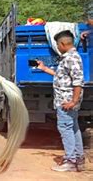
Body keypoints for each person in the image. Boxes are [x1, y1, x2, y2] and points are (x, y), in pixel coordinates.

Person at [37, 30, 85, 172]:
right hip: (66, 101)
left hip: (66, 103)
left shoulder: (72, 58)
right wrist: (45, 68)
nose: (57, 47)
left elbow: (78, 82)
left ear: (64, 44)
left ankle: (71, 160)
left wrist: (73, 101)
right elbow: (61, 76)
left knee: (65, 129)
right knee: (73, 128)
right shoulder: (68, 58)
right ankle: (78, 158)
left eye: (58, 44)